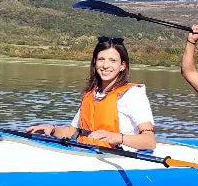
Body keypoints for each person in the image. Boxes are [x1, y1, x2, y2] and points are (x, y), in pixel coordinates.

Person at [27, 36, 157, 150]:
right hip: (86, 152)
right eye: (101, 59)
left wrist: (118, 138)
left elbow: (149, 141)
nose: (106, 65)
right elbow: (70, 131)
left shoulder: (132, 94)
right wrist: (52, 129)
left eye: (113, 60)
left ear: (122, 66)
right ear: (95, 62)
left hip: (116, 156)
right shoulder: (91, 94)